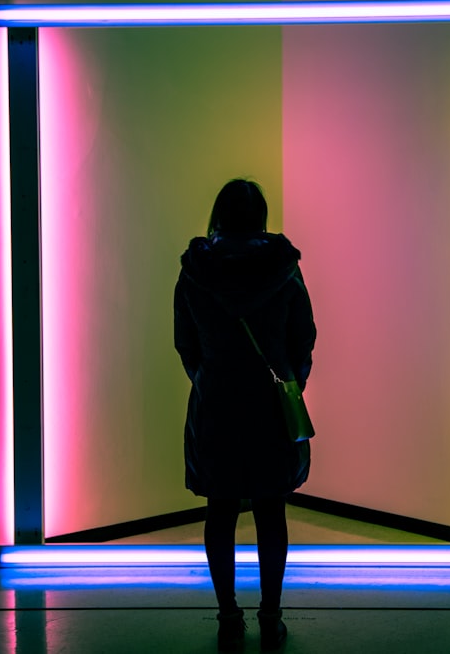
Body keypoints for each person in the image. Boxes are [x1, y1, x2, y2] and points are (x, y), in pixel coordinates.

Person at [174, 179, 316, 652]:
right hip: (269, 405)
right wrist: (288, 380)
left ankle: (228, 615)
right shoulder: (283, 269)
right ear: (261, 217)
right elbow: (304, 338)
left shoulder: (195, 270)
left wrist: (209, 378)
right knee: (271, 510)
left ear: (218, 214)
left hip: (216, 403)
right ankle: (271, 614)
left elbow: (185, 342)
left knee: (220, 510)